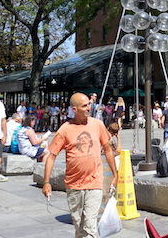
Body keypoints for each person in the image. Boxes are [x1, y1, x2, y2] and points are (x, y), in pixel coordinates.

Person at [42, 92, 118, 238]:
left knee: (90, 227)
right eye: (84, 106)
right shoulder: (65, 129)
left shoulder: (97, 124)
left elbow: (108, 149)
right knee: (79, 227)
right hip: (74, 185)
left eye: (89, 104)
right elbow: (51, 156)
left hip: (94, 182)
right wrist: (46, 182)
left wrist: (115, 174)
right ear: (74, 109)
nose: (89, 107)